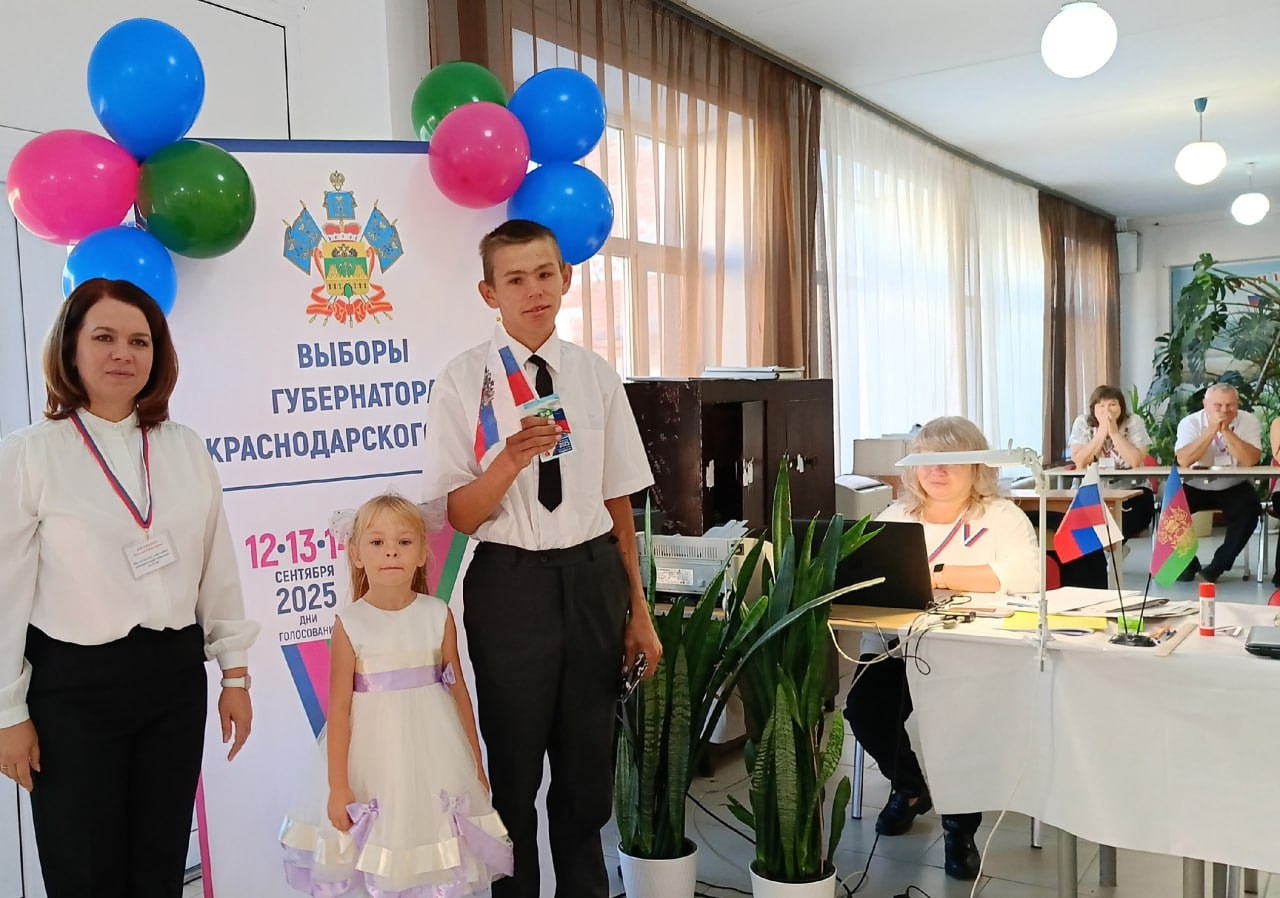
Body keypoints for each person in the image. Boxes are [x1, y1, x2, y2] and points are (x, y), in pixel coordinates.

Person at [421, 219, 661, 898]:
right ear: (489, 293)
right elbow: (459, 517)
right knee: (514, 772)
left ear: (567, 278)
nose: (534, 291)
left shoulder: (594, 375)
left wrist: (638, 610)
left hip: (592, 578)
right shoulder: (463, 382)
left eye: (545, 274)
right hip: (510, 585)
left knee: (587, 775)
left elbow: (618, 500)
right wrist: (507, 463)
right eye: (516, 279)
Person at [0, 278, 259, 898]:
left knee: (159, 866)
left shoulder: (185, 448)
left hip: (172, 682)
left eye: (140, 341)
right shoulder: (30, 454)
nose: (123, 353)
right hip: (73, 690)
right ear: (70, 350)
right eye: (104, 338)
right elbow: (5, 590)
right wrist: (8, 712)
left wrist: (235, 674)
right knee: (84, 870)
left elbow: (217, 565)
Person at [280, 494, 512, 895]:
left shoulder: (437, 614)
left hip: (435, 757)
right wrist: (338, 786)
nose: (391, 551)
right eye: (377, 542)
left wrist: (476, 765)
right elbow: (339, 708)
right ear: (356, 554)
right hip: (373, 761)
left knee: (434, 847)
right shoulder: (350, 623)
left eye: (404, 542)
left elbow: (458, 694)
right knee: (382, 846)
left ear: (422, 553)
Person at [842, 416, 1039, 880]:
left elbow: (1026, 577)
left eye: (952, 460)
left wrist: (937, 574)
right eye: (928, 459)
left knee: (958, 724)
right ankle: (910, 787)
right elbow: (870, 578)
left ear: (977, 466)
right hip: (899, 647)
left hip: (974, 651)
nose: (938, 470)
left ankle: (959, 827)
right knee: (864, 709)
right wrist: (968, 577)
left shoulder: (1001, 516)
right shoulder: (896, 517)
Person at [1174, 383, 1263, 582]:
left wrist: (1227, 432)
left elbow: (1250, 460)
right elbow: (1184, 460)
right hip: (1195, 484)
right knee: (1170, 508)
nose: (1224, 410)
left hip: (1233, 485)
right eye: (1218, 406)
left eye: (1230, 405)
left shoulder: (1248, 421)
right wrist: (1212, 430)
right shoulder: (1190, 423)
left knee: (1250, 510)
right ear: (1205, 404)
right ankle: (1188, 563)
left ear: (1237, 404)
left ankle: (1218, 566)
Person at [1067, 384, 1156, 540]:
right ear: (1093, 409)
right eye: (1101, 406)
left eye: (1113, 404)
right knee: (1078, 521)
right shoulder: (1083, 423)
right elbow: (1080, 461)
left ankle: (1110, 548)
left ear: (1121, 407)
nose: (1107, 410)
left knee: (1122, 520)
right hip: (1090, 490)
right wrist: (1101, 434)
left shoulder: (1133, 422)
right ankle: (1104, 549)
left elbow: (1135, 461)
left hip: (1132, 491)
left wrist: (1114, 433)